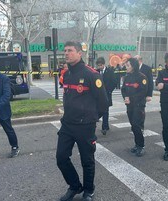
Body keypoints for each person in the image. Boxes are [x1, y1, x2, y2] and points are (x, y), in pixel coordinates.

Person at [56, 41, 108, 201]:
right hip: (68, 124)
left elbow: (103, 103)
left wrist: (91, 119)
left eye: (70, 50)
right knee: (61, 158)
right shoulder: (66, 74)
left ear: (80, 53)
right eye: (65, 51)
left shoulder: (91, 74)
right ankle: (75, 186)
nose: (66, 53)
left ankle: (88, 191)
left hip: (85, 126)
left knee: (87, 160)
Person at [121, 58, 148, 157]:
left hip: (138, 106)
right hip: (130, 106)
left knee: (137, 126)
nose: (126, 67)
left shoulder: (142, 77)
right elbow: (123, 89)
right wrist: (125, 97)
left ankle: (141, 145)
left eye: (128, 65)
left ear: (133, 66)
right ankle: (137, 145)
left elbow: (143, 92)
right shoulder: (127, 77)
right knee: (133, 126)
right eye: (126, 65)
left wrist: (131, 98)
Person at [96, 57, 116, 135]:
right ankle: (105, 126)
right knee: (98, 110)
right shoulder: (96, 72)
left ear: (103, 64)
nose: (99, 67)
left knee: (105, 111)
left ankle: (104, 127)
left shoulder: (110, 71)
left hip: (107, 94)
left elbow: (114, 82)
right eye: (98, 65)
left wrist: (109, 90)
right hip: (98, 95)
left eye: (100, 65)